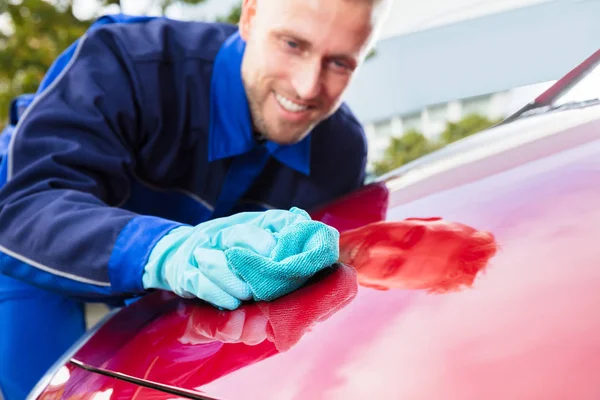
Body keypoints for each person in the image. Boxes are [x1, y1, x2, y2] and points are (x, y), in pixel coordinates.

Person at [0, 0, 392, 398]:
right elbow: (23, 207)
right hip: (31, 246)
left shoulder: (340, 154)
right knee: (40, 387)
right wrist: (166, 251)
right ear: (250, 16)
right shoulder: (126, 62)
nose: (307, 87)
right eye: (292, 44)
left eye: (340, 64)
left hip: (183, 303)